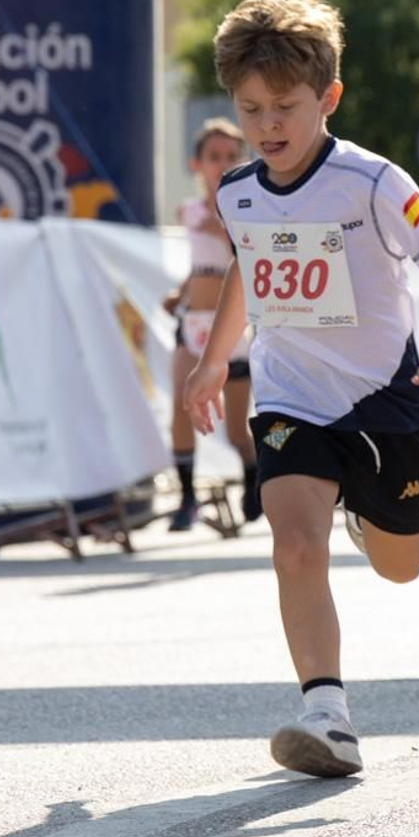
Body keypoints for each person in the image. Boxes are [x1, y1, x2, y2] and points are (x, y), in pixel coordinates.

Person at [181, 0, 419, 778]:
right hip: (289, 394)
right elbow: (246, 267)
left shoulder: (374, 182)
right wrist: (215, 359)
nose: (268, 126)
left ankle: (365, 509)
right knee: (292, 541)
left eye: (285, 107)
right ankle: (326, 712)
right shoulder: (237, 192)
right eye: (250, 110)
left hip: (382, 397)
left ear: (328, 98)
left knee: (399, 564)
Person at [163, 118, 258, 530]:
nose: (221, 165)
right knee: (181, 407)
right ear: (196, 164)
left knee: (237, 428)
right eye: (213, 157)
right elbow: (202, 265)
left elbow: (250, 260)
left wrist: (222, 230)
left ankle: (253, 478)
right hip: (193, 324)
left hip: (232, 330)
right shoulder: (189, 211)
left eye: (230, 157)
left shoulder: (249, 206)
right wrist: (182, 292)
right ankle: (187, 498)